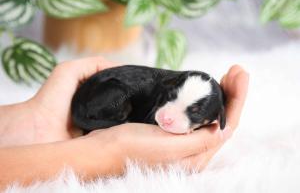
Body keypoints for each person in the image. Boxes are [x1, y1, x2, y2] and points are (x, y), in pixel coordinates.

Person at [0, 56, 249, 189]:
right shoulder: (164, 87)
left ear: (218, 118)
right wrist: (108, 152)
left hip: (95, 105)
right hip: (98, 100)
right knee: (119, 97)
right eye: (169, 99)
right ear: (171, 87)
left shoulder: (196, 102)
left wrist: (36, 121)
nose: (168, 116)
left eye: (193, 114)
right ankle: (102, 120)